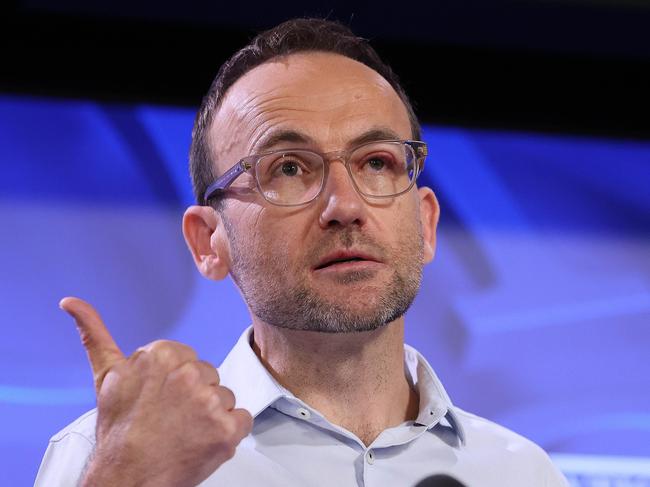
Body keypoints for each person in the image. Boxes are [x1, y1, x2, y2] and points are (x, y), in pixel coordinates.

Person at [35, 18, 568, 487]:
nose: (346, 206)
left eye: (377, 163)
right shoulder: (111, 461)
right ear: (208, 242)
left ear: (426, 223)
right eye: (288, 168)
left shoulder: (521, 473)